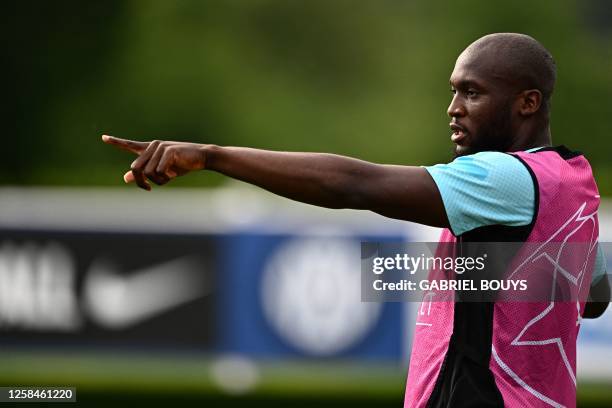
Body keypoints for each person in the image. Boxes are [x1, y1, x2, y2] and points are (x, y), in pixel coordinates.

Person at [103, 33, 609, 407]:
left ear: (528, 103)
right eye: (454, 91)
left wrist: (211, 156)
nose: (453, 109)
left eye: (472, 94)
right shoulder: (571, 180)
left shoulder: (502, 179)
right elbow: (596, 295)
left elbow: (353, 184)